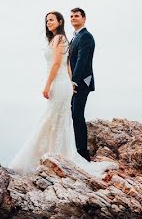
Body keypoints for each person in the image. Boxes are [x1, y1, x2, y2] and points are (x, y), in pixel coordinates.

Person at [9, 11, 113, 176]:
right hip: (65, 83)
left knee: (65, 117)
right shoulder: (67, 38)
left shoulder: (74, 37)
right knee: (60, 119)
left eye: (51, 20)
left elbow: (62, 63)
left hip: (67, 82)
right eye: (46, 20)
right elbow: (68, 64)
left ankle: (78, 153)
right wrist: (70, 81)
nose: (48, 22)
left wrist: (57, 83)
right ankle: (58, 153)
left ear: (59, 21)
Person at [68, 7, 95, 161]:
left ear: (84, 19)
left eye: (76, 16)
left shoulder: (86, 37)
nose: (73, 18)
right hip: (74, 82)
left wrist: (74, 81)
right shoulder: (74, 37)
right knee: (74, 114)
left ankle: (83, 153)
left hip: (82, 82)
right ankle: (77, 149)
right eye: (71, 16)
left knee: (77, 115)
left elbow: (82, 61)